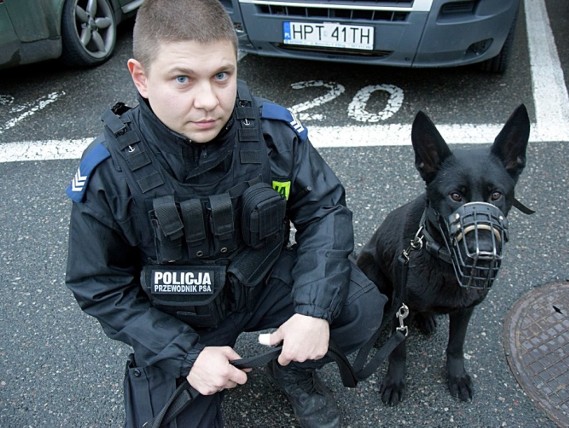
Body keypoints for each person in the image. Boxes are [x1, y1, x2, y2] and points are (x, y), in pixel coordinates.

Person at [64, 0, 386, 427]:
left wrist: (312, 311)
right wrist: (187, 356)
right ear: (140, 77)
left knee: (357, 307)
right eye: (182, 79)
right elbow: (98, 285)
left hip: (262, 281)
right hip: (180, 316)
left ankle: (293, 370)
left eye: (222, 75)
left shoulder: (272, 133)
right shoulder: (111, 171)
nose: (208, 101)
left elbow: (324, 210)